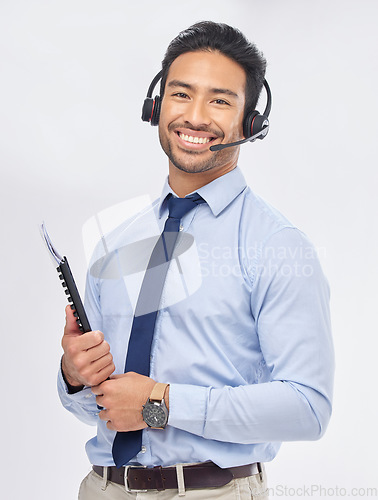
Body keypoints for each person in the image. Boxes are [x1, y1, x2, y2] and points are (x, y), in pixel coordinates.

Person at [58, 21, 334, 499]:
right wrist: (75, 376)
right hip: (103, 487)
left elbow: (308, 408)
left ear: (250, 122)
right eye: (181, 94)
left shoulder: (278, 245)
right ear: (156, 106)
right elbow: (104, 410)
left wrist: (159, 403)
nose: (196, 116)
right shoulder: (117, 242)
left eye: (220, 100)